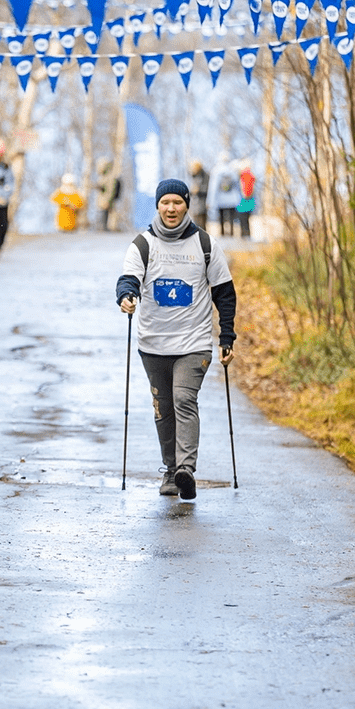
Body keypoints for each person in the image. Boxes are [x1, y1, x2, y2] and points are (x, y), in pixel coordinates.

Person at [114, 178, 236, 501]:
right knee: (163, 407)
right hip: (153, 343)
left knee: (184, 398)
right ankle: (170, 470)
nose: (171, 208)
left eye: (177, 203)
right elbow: (128, 279)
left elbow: (224, 293)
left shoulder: (205, 245)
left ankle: (186, 469)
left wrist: (227, 335)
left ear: (187, 205)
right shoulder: (143, 245)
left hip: (194, 343)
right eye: (165, 202)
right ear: (157, 206)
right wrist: (126, 296)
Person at [212, 154, 240, 237]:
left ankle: (222, 235)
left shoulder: (216, 171)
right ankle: (231, 235)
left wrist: (211, 201)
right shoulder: (233, 170)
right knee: (231, 219)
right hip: (232, 200)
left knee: (221, 218)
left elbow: (213, 188)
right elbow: (237, 186)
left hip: (220, 199)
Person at [96, 159, 123, 232]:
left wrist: (108, 200)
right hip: (103, 198)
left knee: (109, 214)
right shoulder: (103, 176)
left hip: (107, 199)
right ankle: (102, 227)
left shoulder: (110, 177)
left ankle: (108, 227)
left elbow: (111, 190)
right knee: (103, 213)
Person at [188, 160, 210, 231]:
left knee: (202, 224)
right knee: (195, 223)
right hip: (194, 204)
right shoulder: (193, 176)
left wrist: (198, 190)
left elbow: (208, 189)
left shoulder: (205, 176)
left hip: (203, 203)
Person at [237, 160, 256, 239]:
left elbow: (245, 190)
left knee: (243, 219)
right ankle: (247, 235)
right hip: (250, 201)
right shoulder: (251, 175)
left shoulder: (244, 175)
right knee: (247, 219)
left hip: (244, 201)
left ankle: (244, 236)